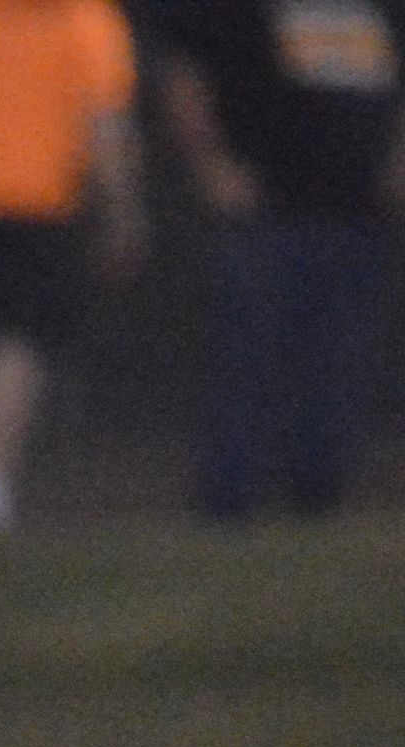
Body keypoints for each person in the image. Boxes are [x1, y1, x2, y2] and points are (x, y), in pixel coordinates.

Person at [154, 0, 405, 516]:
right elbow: (186, 72)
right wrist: (211, 166)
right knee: (251, 359)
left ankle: (318, 494)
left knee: (339, 361)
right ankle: (229, 499)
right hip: (269, 212)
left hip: (358, 212)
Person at [0, 0, 147, 530]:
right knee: (7, 343)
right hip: (24, 198)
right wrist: (122, 209)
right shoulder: (86, 18)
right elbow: (105, 123)